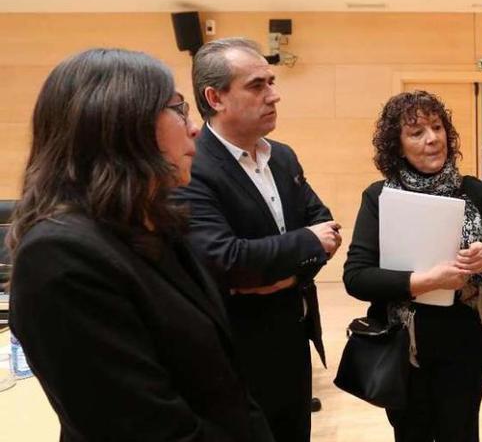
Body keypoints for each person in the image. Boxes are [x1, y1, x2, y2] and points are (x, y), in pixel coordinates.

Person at [8, 48, 274, 441]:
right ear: (121, 123)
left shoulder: (156, 223)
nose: (195, 127)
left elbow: (224, 384)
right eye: (179, 109)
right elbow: (147, 429)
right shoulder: (61, 257)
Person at [173, 37, 341, 442]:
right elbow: (224, 259)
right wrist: (304, 246)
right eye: (257, 85)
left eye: (272, 81)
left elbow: (326, 228)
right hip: (236, 348)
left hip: (293, 335)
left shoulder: (282, 156)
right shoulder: (192, 165)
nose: (274, 95)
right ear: (215, 97)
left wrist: (284, 270)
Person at [343, 90, 482, 442]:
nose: (432, 138)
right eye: (416, 132)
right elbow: (356, 277)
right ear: (397, 145)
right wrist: (425, 281)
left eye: (437, 127)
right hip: (403, 342)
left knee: (462, 431)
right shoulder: (379, 197)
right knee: (411, 432)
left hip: (467, 337)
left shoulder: (476, 192)